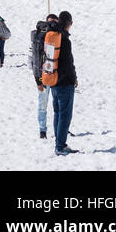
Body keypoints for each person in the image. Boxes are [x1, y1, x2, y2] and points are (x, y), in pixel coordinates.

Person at [45, 11, 77, 155]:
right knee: (65, 115)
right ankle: (60, 146)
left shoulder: (53, 36)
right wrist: (73, 78)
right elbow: (68, 63)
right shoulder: (64, 39)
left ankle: (59, 141)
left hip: (53, 81)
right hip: (64, 82)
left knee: (58, 113)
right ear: (69, 23)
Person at [30, 13, 61, 141]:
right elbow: (35, 59)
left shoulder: (56, 36)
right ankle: (43, 129)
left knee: (54, 105)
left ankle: (57, 128)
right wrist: (37, 79)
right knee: (46, 105)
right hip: (46, 77)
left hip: (53, 76)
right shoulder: (41, 36)